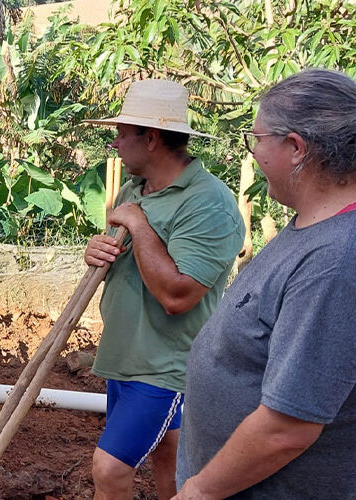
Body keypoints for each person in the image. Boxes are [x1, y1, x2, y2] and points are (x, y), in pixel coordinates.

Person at [175, 69, 356, 499]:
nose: (255, 151)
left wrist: (199, 491)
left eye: (257, 138)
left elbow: (286, 429)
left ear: (296, 147)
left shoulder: (341, 263)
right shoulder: (332, 220)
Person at [82, 79, 244, 500]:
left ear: (151, 138)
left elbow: (178, 295)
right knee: (169, 457)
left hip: (164, 367)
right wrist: (97, 249)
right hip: (125, 356)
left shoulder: (208, 203)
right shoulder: (134, 190)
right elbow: (128, 261)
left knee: (110, 469)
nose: (115, 143)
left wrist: (137, 224)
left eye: (122, 133)